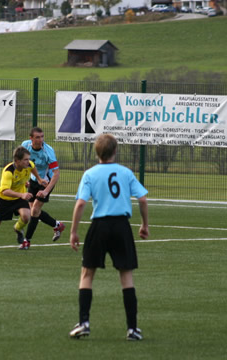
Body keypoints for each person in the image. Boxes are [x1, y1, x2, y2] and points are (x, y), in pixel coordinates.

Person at [68, 134, 149, 341]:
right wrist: (144, 224)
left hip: (100, 225)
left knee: (87, 274)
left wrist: (74, 231)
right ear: (115, 151)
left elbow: (80, 204)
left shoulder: (90, 174)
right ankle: (132, 329)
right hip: (122, 226)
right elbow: (142, 199)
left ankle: (84, 323)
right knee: (126, 276)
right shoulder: (125, 172)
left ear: (97, 153)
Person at [0, 146, 46, 252]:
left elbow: (33, 167)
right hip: (5, 200)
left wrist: (40, 179)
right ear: (17, 161)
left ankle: (17, 228)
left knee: (26, 216)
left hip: (19, 197)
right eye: (25, 159)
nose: (28, 162)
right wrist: (22, 195)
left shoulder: (28, 165)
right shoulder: (8, 172)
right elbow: (5, 191)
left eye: (28, 159)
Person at [19, 127, 65, 250]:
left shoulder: (48, 151)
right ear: (31, 138)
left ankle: (26, 241)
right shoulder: (25, 146)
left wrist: (45, 191)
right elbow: (22, 164)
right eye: (38, 137)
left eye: (42, 137)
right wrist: (25, 180)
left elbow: (56, 174)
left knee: (34, 211)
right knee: (33, 211)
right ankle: (57, 225)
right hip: (34, 180)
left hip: (46, 182)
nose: (41, 140)